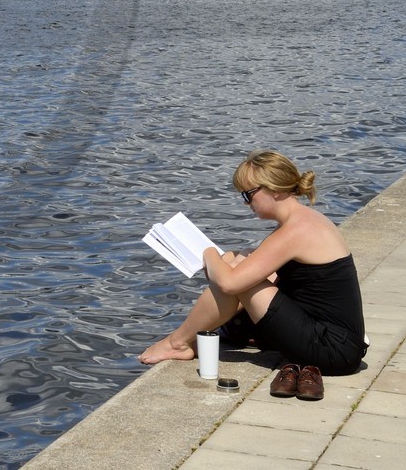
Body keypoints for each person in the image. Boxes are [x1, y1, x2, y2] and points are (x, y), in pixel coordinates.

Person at [139, 150, 367, 397]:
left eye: (248, 194)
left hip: (332, 350)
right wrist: (230, 261)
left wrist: (208, 253)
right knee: (238, 265)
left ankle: (177, 343)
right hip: (339, 344)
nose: (246, 203)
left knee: (236, 278)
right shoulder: (302, 221)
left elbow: (230, 284)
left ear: (274, 190)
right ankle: (185, 339)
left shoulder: (297, 230)